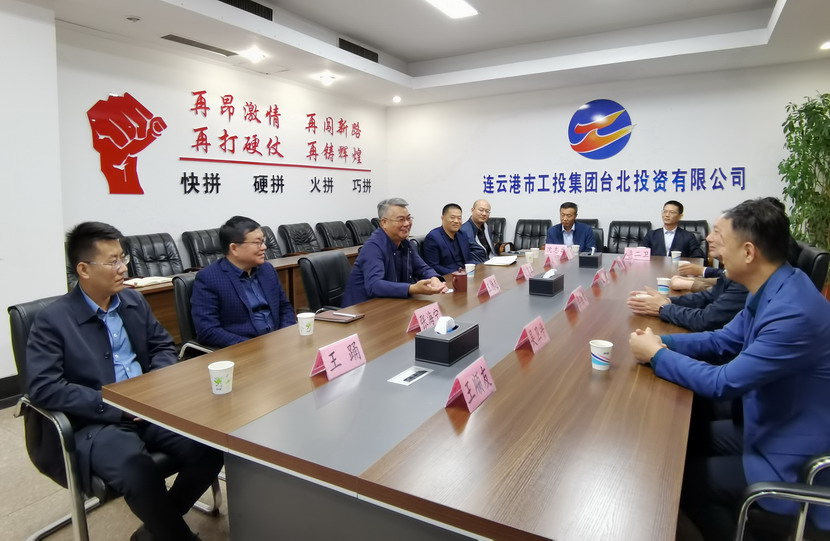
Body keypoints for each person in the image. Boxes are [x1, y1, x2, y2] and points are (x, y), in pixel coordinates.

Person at [629, 199, 830, 541]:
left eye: (720, 234)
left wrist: (658, 356)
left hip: (789, 459)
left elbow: (723, 382)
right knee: (685, 441)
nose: (710, 239)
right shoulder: (775, 284)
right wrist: (661, 341)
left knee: (678, 483)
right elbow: (723, 340)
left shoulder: (793, 311)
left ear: (748, 252)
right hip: (763, 422)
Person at [26, 222, 223, 541]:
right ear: (84, 269)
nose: (123, 268)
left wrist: (156, 384)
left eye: (123, 258)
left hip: (151, 408)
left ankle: (154, 532)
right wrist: (117, 406)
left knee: (211, 447)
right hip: (96, 421)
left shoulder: (133, 302)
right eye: (113, 261)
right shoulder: (52, 321)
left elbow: (161, 346)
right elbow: (44, 387)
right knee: (138, 470)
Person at [191, 216, 295, 349]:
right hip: (243, 350)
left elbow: (284, 307)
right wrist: (253, 346)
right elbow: (207, 331)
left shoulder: (267, 270)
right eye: (257, 243)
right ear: (234, 248)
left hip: (279, 344)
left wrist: (285, 334)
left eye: (263, 241)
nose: (264, 247)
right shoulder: (209, 278)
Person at [626, 228, 748, 331]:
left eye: (717, 232)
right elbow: (709, 296)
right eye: (665, 211)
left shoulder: (744, 281)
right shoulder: (652, 234)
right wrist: (667, 301)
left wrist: (663, 308)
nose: (708, 238)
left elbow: (706, 320)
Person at [344, 198, 447, 305]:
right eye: (401, 219)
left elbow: (422, 268)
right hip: (363, 308)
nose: (407, 223)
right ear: (384, 222)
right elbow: (374, 285)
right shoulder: (373, 247)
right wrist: (412, 288)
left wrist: (434, 278)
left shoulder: (405, 243)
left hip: (392, 303)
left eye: (409, 218)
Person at [640, 200, 705, 258]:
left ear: (680, 216)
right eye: (665, 211)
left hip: (678, 267)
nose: (667, 215)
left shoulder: (688, 236)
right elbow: (641, 254)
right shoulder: (651, 235)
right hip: (656, 267)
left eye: (672, 212)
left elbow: (698, 256)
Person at [423, 203, 474, 274]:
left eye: (459, 218)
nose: (456, 221)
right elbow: (433, 266)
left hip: (466, 275)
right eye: (452, 217)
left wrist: (470, 270)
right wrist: (456, 273)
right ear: (442, 218)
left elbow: (469, 259)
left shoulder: (462, 235)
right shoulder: (433, 238)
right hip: (447, 277)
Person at [460, 199, 496, 263]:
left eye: (487, 211)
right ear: (472, 210)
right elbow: (463, 257)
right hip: (477, 266)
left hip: (490, 263)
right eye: (481, 210)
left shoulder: (487, 228)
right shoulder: (464, 231)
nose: (484, 214)